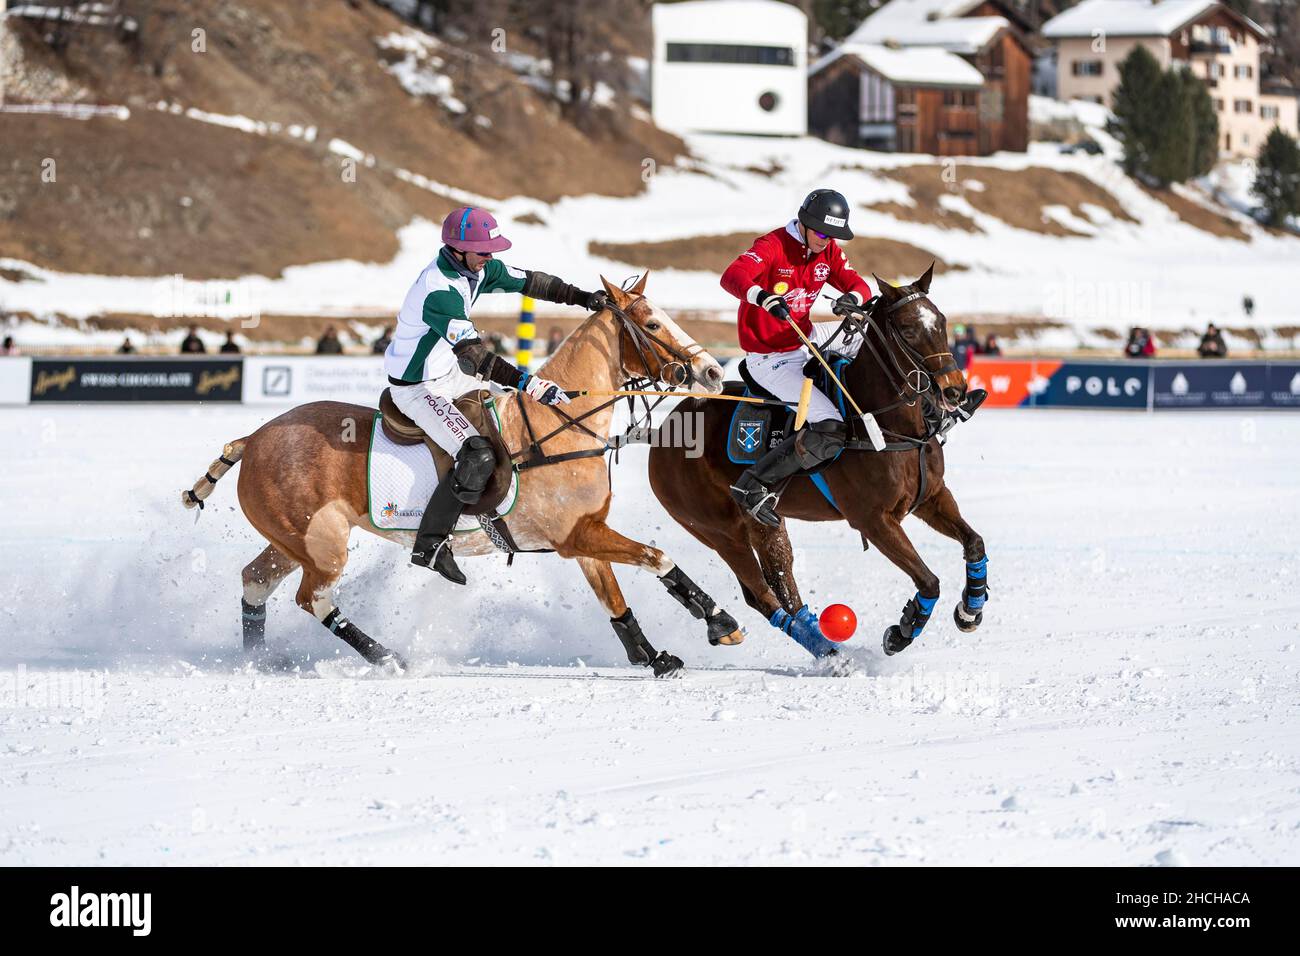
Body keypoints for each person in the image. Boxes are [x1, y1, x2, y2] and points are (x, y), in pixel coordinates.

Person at [384, 205, 605, 583]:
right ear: (458, 249)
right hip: (418, 387)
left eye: (493, 251)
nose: (492, 257)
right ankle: (431, 543)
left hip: (448, 374)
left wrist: (586, 299)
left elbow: (533, 282)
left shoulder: (478, 269)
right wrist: (529, 383)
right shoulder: (439, 290)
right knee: (477, 452)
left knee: (513, 421)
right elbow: (473, 355)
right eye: (485, 251)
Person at [719, 188, 872, 527]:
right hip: (769, 357)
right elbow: (731, 276)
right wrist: (761, 297)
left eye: (833, 235)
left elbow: (860, 285)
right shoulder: (772, 245)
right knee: (830, 425)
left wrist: (852, 299)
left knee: (873, 340)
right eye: (821, 232)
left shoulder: (827, 250)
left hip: (805, 338)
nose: (826, 240)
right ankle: (754, 486)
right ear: (804, 224)